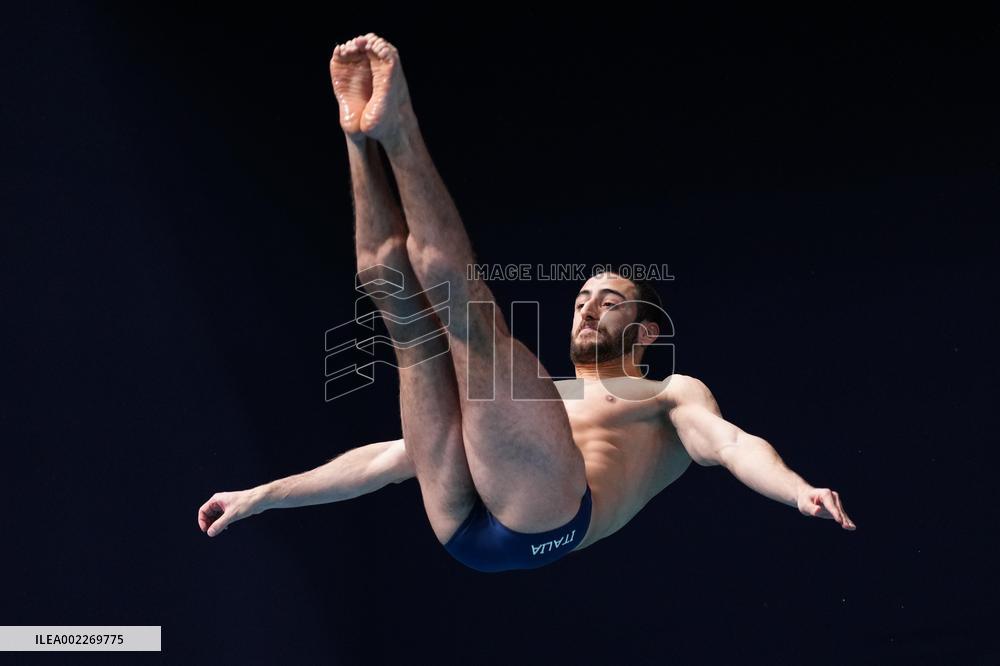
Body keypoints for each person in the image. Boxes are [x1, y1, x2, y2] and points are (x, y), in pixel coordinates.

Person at [197, 33, 855, 573]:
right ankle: (356, 134)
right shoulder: (543, 402)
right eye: (582, 298)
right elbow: (386, 460)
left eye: (610, 302)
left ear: (648, 333)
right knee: (398, 304)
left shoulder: (671, 396)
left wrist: (797, 490)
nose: (588, 309)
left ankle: (400, 131)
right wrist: (261, 498)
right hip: (462, 530)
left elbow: (734, 444)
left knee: (469, 325)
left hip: (548, 521)